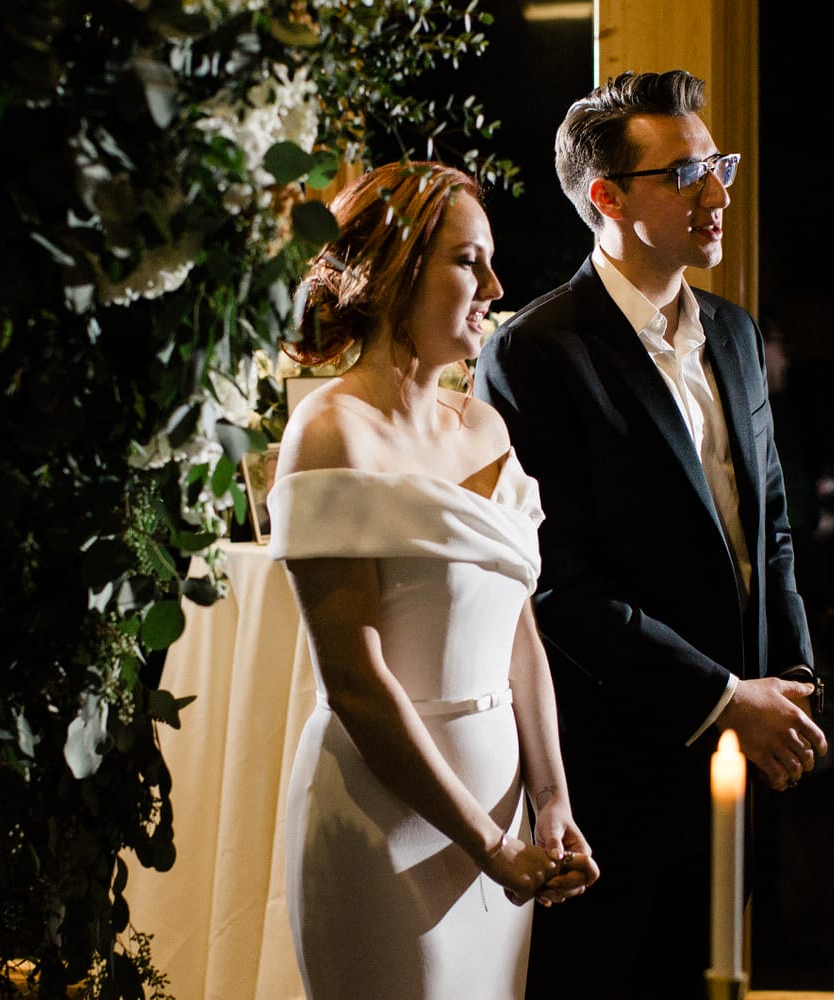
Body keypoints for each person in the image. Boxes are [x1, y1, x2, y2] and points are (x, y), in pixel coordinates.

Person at [473, 70, 827, 999]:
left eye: (718, 165)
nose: (715, 193)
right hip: (616, 763)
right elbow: (557, 587)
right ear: (608, 197)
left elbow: (773, 529)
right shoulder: (533, 353)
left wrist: (788, 681)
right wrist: (720, 696)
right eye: (685, 174)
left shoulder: (738, 335)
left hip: (747, 752)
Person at [266, 161, 599, 999]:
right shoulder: (330, 431)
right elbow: (356, 682)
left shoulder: (484, 425)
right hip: (386, 816)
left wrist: (551, 804)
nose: (494, 284)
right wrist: (487, 845)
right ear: (397, 268)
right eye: (467, 261)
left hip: (505, 807)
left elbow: (519, 637)